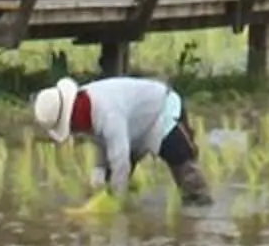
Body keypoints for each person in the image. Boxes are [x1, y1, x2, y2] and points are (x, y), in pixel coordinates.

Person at [34, 74, 213, 206]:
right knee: (110, 180)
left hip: (160, 111)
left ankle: (199, 215)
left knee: (183, 167)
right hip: (132, 128)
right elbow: (102, 142)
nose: (73, 132)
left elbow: (120, 161)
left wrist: (113, 202)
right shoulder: (84, 109)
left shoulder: (107, 110)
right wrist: (99, 173)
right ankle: (134, 206)